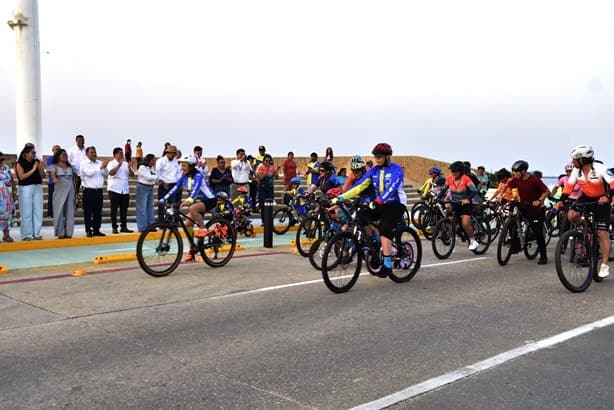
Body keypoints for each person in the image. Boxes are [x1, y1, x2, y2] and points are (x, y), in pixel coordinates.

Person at [334, 143, 406, 277]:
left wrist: (379, 200)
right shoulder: (374, 170)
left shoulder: (396, 170)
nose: (377, 159)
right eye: (375, 157)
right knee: (360, 216)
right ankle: (374, 244)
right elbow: (360, 185)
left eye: (379, 157)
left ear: (387, 156)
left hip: (396, 203)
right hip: (380, 203)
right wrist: (340, 198)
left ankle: (387, 264)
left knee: (385, 228)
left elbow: (393, 188)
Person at [555, 145, 614, 278]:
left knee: (601, 232)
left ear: (583, 159)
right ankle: (581, 231)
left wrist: (608, 197)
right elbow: (568, 187)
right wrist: (561, 201)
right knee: (571, 214)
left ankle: (604, 264)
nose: (572, 163)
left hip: (602, 199)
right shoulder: (577, 171)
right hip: (586, 197)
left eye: (574, 160)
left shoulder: (599, 168)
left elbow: (613, 183)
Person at [159, 154, 217, 242]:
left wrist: (189, 200)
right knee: (187, 226)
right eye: (181, 165)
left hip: (209, 200)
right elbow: (175, 188)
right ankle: (192, 250)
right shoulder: (184, 176)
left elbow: (196, 189)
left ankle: (203, 229)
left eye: (184, 166)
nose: (182, 168)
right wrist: (164, 198)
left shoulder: (198, 175)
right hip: (198, 201)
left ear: (191, 166)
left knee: (192, 208)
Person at [507, 160, 550, 265]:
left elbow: (547, 191)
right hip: (523, 206)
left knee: (537, 232)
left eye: (517, 172)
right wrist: (501, 195)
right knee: (512, 222)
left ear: (523, 171)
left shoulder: (534, 180)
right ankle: (515, 245)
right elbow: (509, 185)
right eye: (514, 172)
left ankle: (543, 256)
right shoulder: (515, 180)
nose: (515, 174)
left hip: (535, 208)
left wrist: (539, 200)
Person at [436, 161, 480, 252]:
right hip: (455, 203)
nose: (453, 173)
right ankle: (453, 240)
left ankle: (472, 240)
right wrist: (437, 197)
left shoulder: (466, 179)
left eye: (456, 171)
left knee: (465, 223)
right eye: (452, 171)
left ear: (461, 171)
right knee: (452, 222)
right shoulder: (449, 179)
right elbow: (444, 189)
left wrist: (467, 199)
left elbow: (474, 191)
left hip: (466, 204)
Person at [15, 144, 45, 241]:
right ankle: (26, 234)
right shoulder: (20, 163)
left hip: (37, 186)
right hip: (26, 188)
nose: (34, 154)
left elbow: (42, 176)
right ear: (26, 154)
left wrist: (40, 168)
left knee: (38, 210)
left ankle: (37, 233)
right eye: (32, 153)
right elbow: (22, 177)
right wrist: (33, 169)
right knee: (26, 212)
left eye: (35, 153)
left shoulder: (37, 162)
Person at [80, 147, 109, 237]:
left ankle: (96, 229)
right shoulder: (84, 163)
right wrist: (100, 167)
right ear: (87, 154)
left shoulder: (99, 163)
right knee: (88, 212)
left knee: (98, 211)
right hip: (89, 190)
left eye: (95, 152)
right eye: (91, 152)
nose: (94, 154)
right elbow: (89, 173)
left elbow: (105, 173)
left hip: (98, 191)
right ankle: (88, 230)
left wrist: (103, 168)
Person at [47, 148, 76, 239]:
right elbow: (53, 175)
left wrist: (76, 190)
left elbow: (75, 179)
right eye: (63, 154)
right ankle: (60, 232)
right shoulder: (54, 166)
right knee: (59, 209)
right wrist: (55, 178)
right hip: (60, 188)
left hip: (70, 188)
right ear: (58, 156)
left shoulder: (70, 167)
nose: (65, 156)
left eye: (66, 154)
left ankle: (69, 232)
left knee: (70, 210)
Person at [107, 147, 135, 234]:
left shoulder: (126, 164)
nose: (122, 155)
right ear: (115, 155)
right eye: (120, 153)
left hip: (124, 189)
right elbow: (111, 173)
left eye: (122, 153)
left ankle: (124, 226)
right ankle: (114, 227)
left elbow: (132, 175)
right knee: (114, 209)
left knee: (124, 209)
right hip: (114, 189)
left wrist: (130, 168)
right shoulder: (111, 163)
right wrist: (119, 165)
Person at [155, 145, 180, 222]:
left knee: (172, 205)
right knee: (161, 204)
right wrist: (162, 183)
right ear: (167, 153)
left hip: (173, 185)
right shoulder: (160, 161)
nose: (173, 155)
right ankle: (161, 222)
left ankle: (170, 221)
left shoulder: (176, 161)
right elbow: (157, 173)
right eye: (172, 153)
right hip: (163, 184)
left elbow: (178, 173)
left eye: (174, 153)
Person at [136, 154, 158, 232]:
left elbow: (153, 177)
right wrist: (156, 176)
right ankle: (142, 227)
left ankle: (151, 225)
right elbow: (148, 177)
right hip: (142, 188)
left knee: (150, 207)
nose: (153, 162)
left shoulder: (151, 168)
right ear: (148, 160)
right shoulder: (142, 167)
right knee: (142, 208)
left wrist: (155, 176)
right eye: (152, 160)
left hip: (150, 188)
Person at [0, 152, 16, 242]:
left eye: (2, 160)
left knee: (7, 215)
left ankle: (6, 235)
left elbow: (12, 180)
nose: (2, 161)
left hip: (6, 197)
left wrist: (14, 192)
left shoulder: (6, 168)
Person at [46, 144, 61, 218]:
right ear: (53, 150)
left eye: (59, 149)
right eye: (56, 149)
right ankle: (50, 213)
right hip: (53, 182)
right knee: (52, 198)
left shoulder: (64, 159)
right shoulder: (50, 159)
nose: (58, 151)